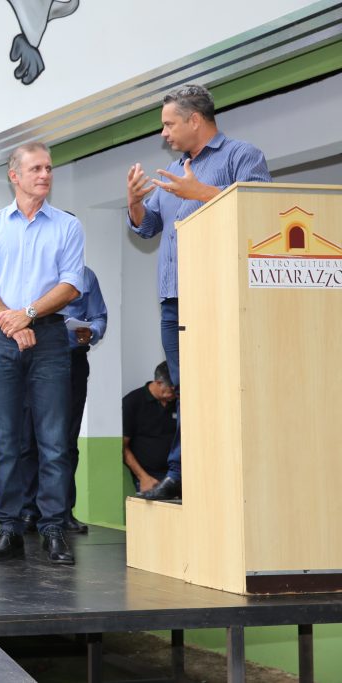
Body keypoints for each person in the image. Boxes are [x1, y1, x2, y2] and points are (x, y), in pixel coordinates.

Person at [126, 84, 270, 501]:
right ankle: (184, 474)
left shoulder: (241, 155)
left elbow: (260, 211)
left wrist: (202, 194)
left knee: (222, 385)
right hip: (174, 301)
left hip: (217, 296)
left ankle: (209, 473)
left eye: (169, 124)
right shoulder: (175, 170)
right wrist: (134, 203)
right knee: (186, 391)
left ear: (194, 120)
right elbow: (147, 228)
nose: (164, 134)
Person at [0, 142, 83, 566]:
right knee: (6, 441)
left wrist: (28, 315)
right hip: (0, 339)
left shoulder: (68, 226)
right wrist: (12, 323)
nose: (45, 175)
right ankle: (10, 529)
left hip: (49, 338)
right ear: (14, 175)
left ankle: (53, 528)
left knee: (53, 440)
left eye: (49, 168)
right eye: (36, 168)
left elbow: (71, 285)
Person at [19, 264, 107, 534]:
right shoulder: (33, 267)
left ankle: (63, 511)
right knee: (28, 437)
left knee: (66, 440)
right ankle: (29, 510)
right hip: (34, 358)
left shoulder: (87, 275)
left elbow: (99, 316)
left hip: (72, 361)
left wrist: (91, 332)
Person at [123, 362, 178, 493]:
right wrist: (143, 477)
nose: (176, 394)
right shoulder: (132, 402)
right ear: (159, 383)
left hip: (177, 474)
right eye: (172, 390)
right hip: (150, 478)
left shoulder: (178, 402)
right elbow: (123, 447)